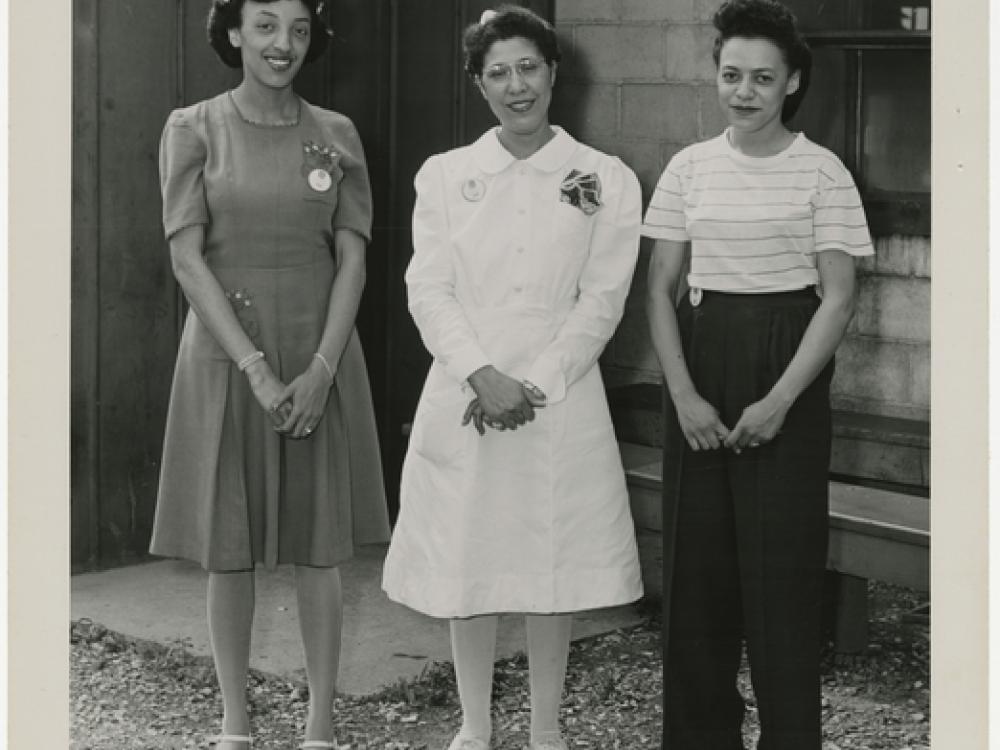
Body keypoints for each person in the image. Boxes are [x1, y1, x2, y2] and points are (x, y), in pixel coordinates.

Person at [381, 6, 643, 750]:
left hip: (559, 392)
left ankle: (547, 728)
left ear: (554, 72)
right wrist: (480, 374)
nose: (516, 84)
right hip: (468, 389)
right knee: (473, 551)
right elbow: (428, 288)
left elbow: (603, 297)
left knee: (547, 554)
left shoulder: (605, 178)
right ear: (478, 85)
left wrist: (537, 381)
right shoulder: (446, 177)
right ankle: (474, 725)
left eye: (529, 67)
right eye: (498, 72)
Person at [149, 1, 390, 747]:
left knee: (321, 545)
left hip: (319, 350)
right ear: (231, 32)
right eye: (264, 26)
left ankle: (320, 722)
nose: (282, 44)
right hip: (228, 357)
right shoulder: (192, 127)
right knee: (231, 545)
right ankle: (236, 720)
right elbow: (187, 257)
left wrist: (322, 367)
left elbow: (351, 257)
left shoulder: (338, 134)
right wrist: (252, 367)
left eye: (298, 29)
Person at [642, 1, 874, 748]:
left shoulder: (823, 171)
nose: (744, 91)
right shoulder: (688, 167)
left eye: (762, 78)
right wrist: (682, 395)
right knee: (697, 580)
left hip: (789, 372)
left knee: (781, 583)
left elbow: (837, 298)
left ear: (792, 82)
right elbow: (658, 289)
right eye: (731, 75)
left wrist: (778, 401)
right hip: (702, 368)